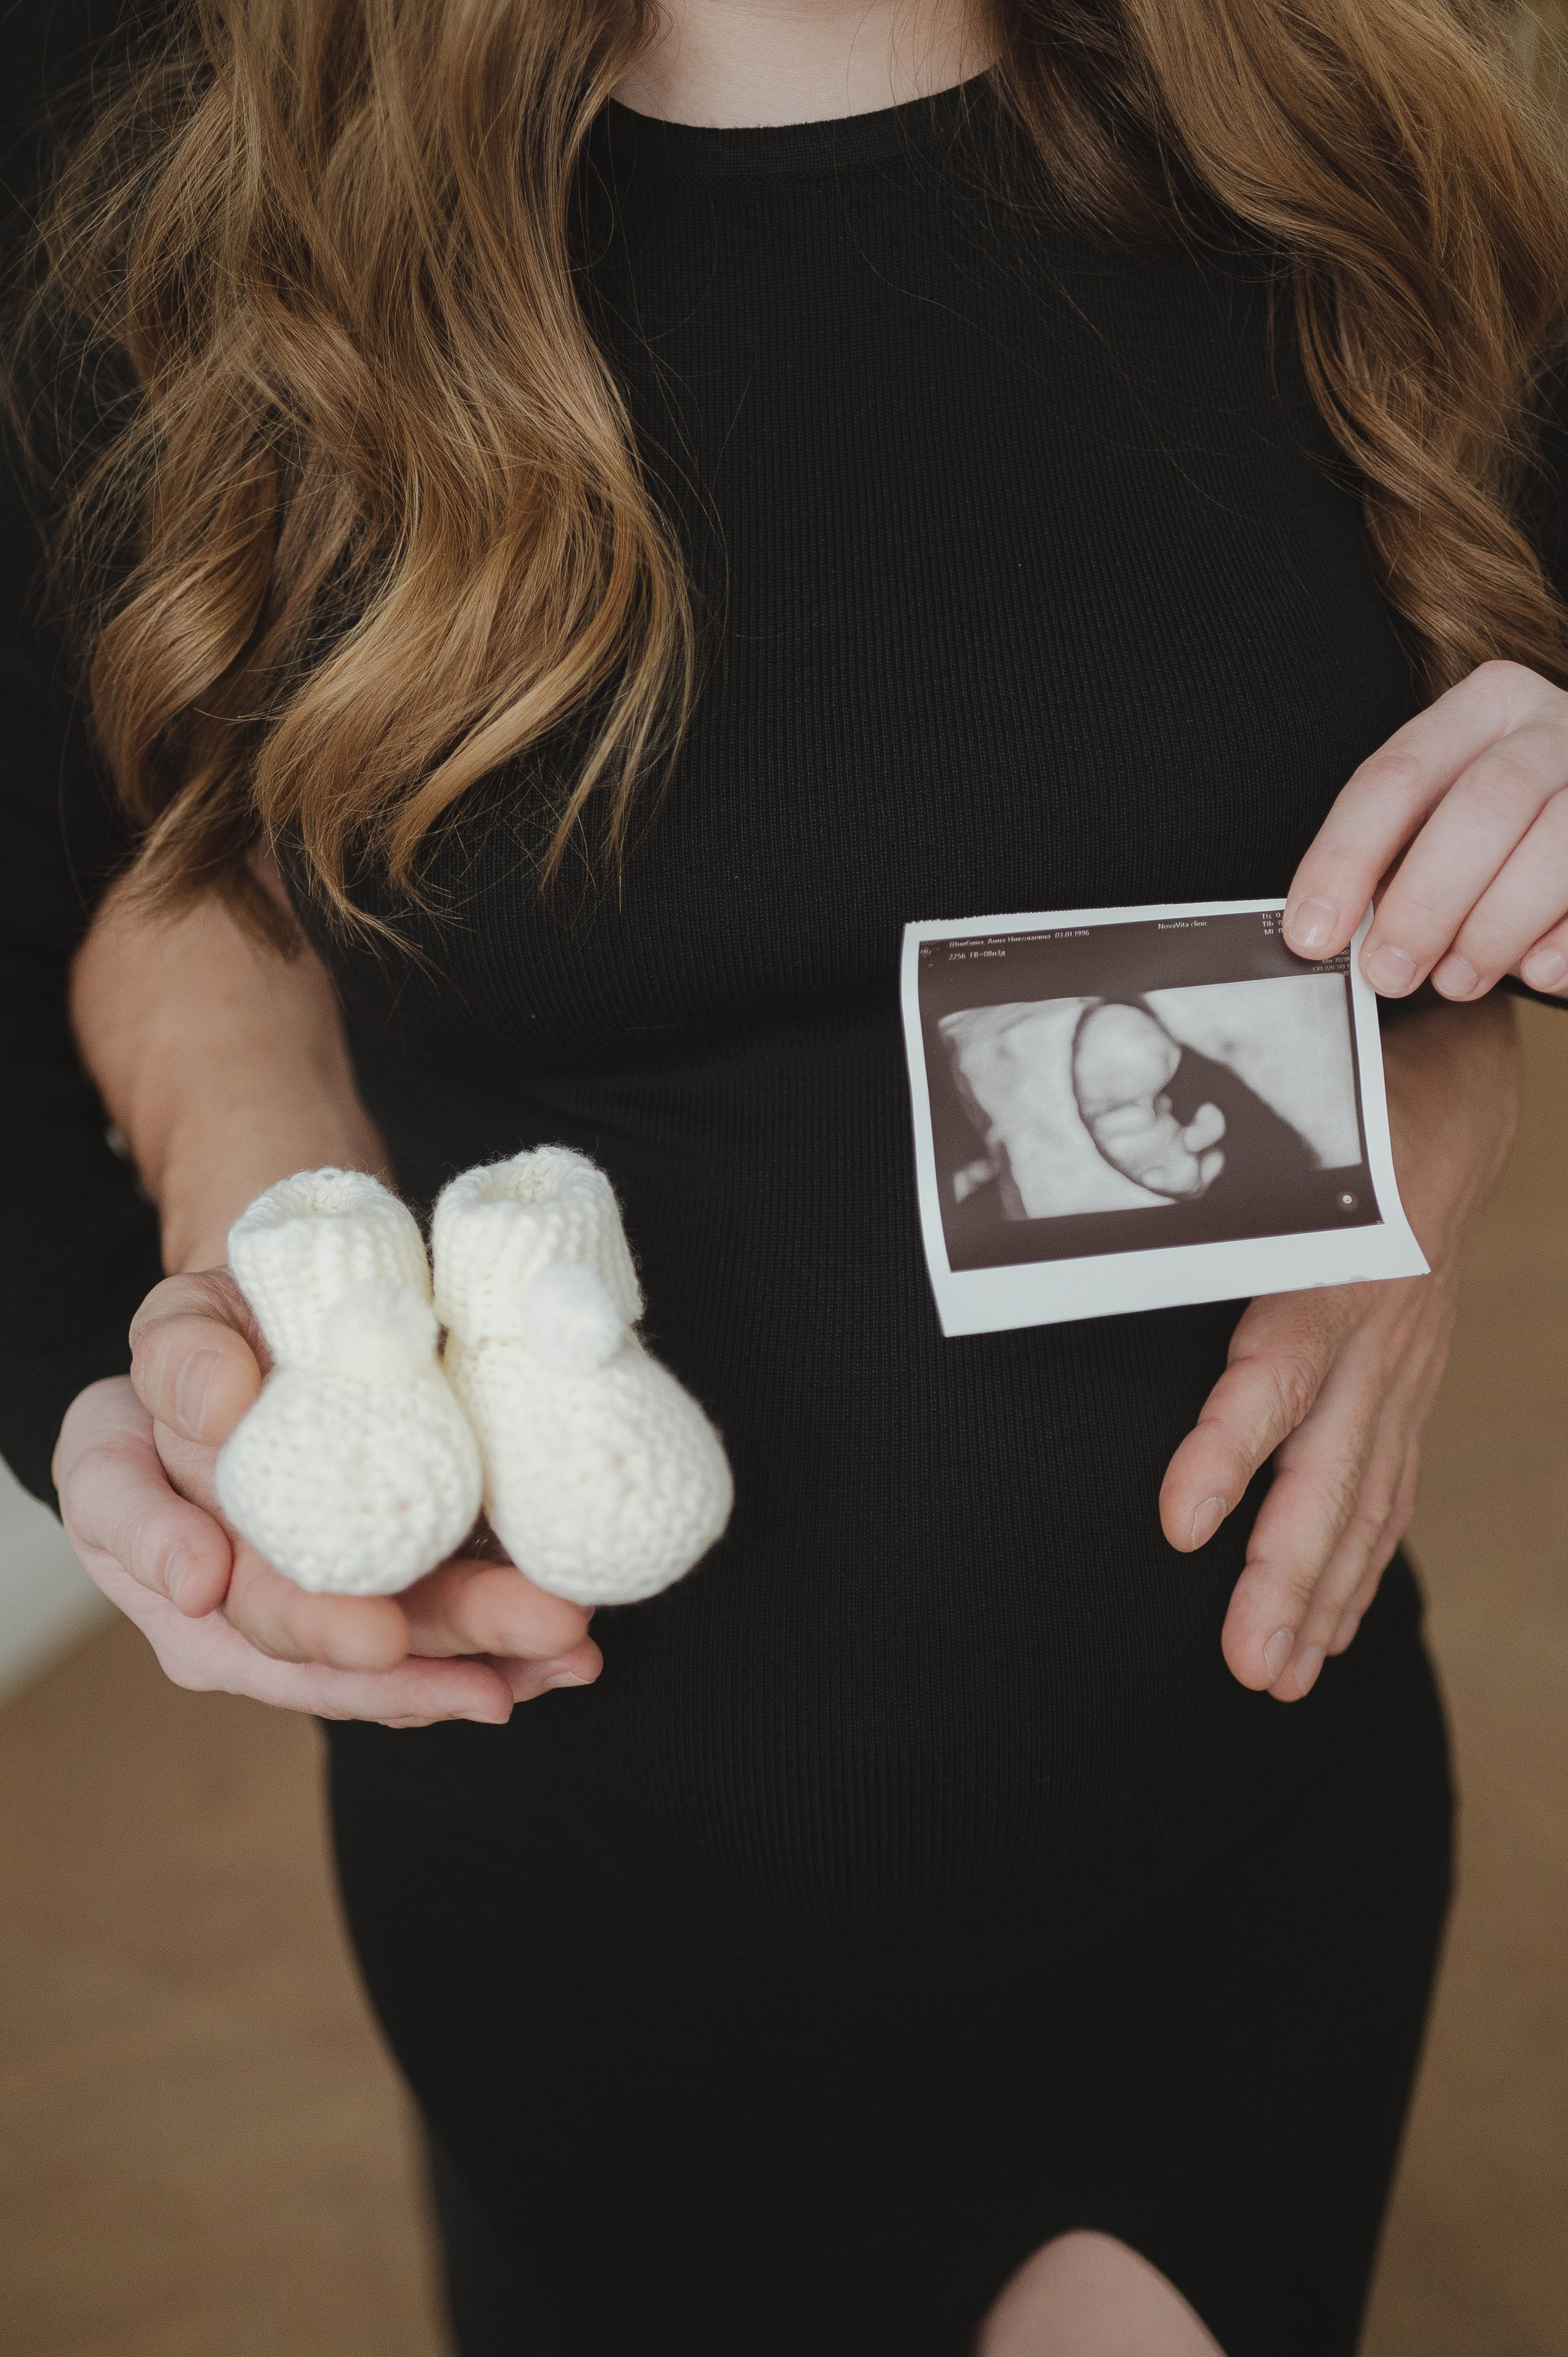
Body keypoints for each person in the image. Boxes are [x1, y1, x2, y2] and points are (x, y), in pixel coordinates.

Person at [2, 2, 1566, 2350]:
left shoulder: (1385, 96)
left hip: (1234, 1846)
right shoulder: (152, 123)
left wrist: (1460, 1049)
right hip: (580, 1928)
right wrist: (138, 1365)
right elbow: (96, 876)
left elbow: (1497, 694)